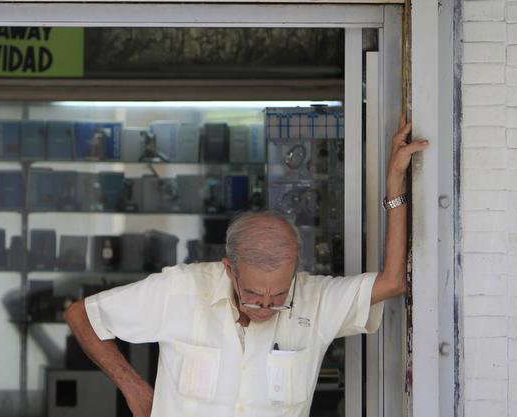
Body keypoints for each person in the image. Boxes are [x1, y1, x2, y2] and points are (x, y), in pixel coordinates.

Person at [64, 115, 429, 417]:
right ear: (229, 270)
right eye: (254, 295)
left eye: (279, 295)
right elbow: (83, 315)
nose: (267, 307)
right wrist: (134, 389)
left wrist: (394, 185)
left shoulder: (315, 300)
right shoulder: (180, 290)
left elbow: (394, 282)